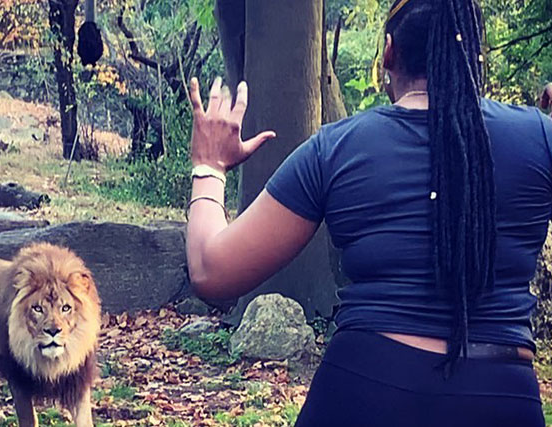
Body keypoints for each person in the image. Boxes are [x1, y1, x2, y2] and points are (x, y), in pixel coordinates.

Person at [185, 0, 552, 426]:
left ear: (389, 54)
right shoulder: (540, 139)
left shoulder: (337, 148)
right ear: (475, 54)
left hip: (361, 392)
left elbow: (213, 272)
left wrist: (209, 166)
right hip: (501, 400)